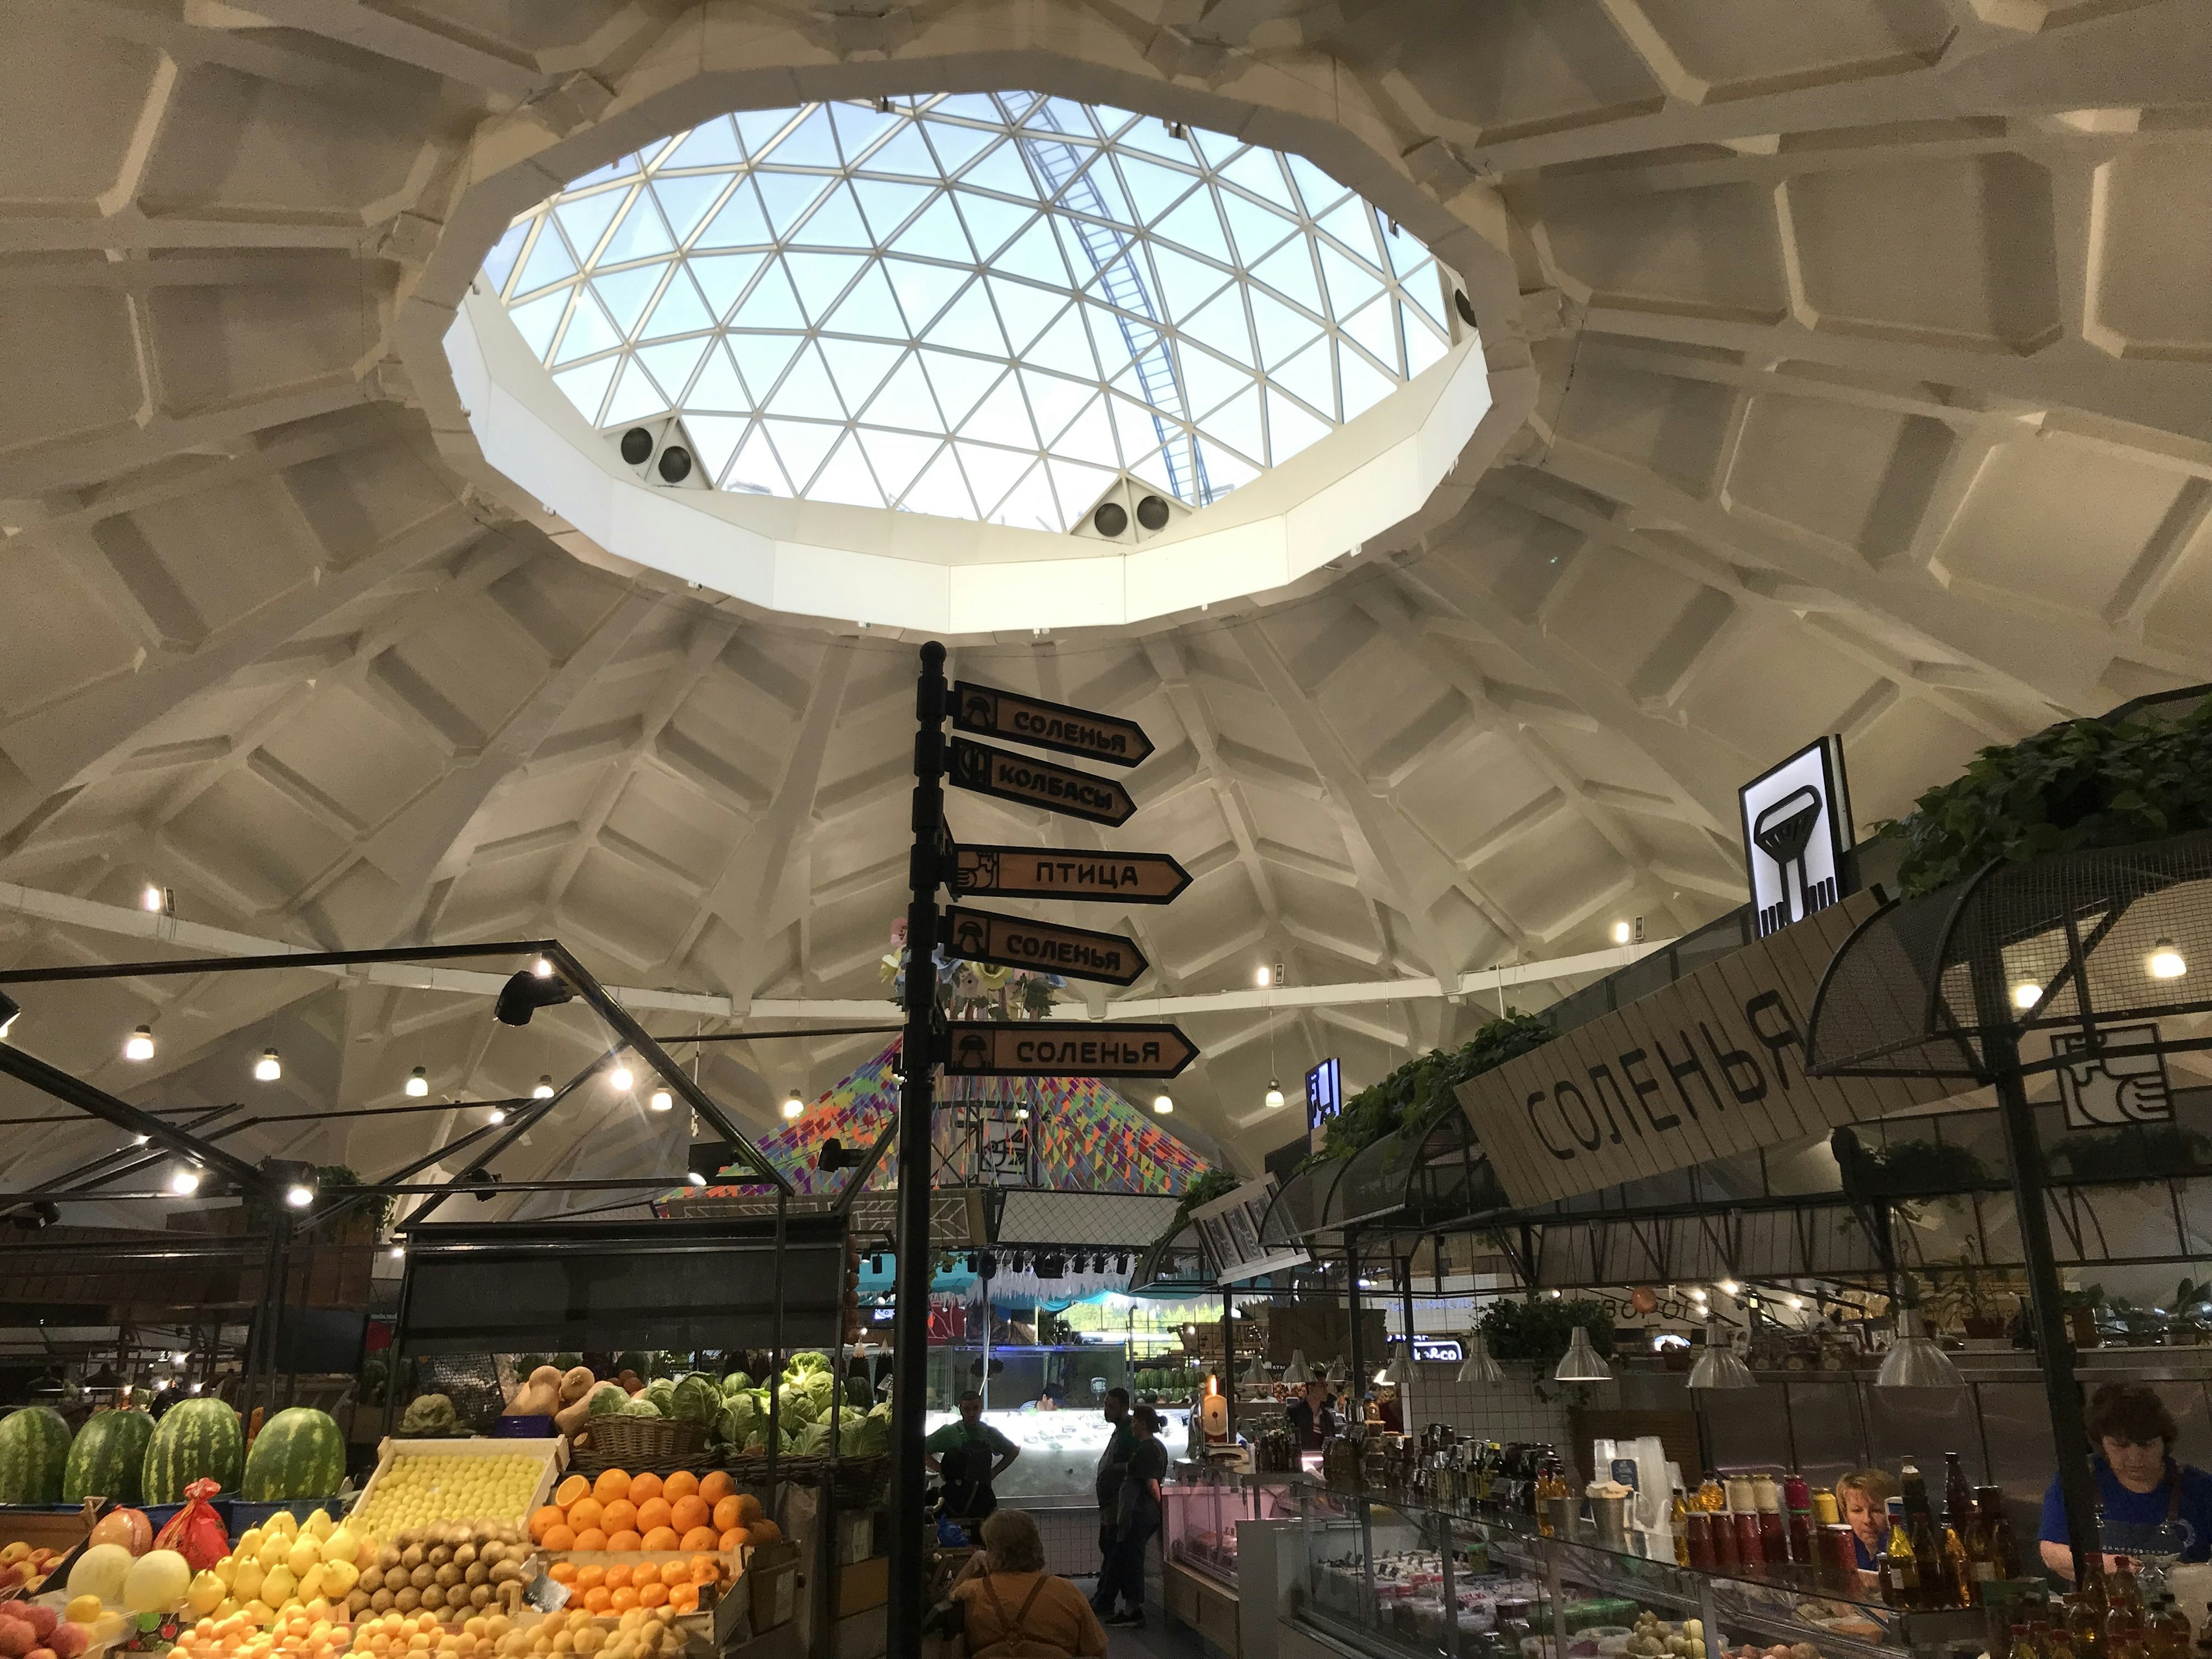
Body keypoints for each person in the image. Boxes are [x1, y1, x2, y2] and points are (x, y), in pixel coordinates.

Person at [2039, 1382, 2212, 1577]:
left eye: (2146, 1446)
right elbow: (2051, 1552)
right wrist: (2106, 1564)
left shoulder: (2201, 1488)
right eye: (2120, 1446)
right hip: (2100, 1603)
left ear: (2164, 1442)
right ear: (2102, 1444)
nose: (2135, 1459)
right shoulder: (2078, 1481)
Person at [950, 1508, 1108, 1657]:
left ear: (994, 1552)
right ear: (1036, 1545)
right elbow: (1097, 1650)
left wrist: (972, 1565)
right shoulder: (1067, 1591)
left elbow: (947, 1603)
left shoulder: (973, 1590)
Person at [1096, 1405, 1168, 1628]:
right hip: (1136, 1513)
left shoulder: (1148, 1449)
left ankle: (1132, 1609)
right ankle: (1129, 1606)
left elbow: (1152, 1483)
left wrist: (1161, 1508)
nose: (1133, 1426)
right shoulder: (1153, 1447)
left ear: (1144, 1424)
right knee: (1125, 1557)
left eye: (1136, 1422)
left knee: (1132, 1559)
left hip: (1139, 1513)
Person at [927, 1391, 1020, 1535]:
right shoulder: (949, 1433)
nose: (972, 1414)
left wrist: (994, 1472)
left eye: (975, 1408)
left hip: (983, 1501)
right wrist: (941, 1469)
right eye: (967, 1409)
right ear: (960, 1410)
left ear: (982, 1408)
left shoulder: (990, 1433)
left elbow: (1013, 1451)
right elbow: (921, 1449)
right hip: (954, 1501)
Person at [1090, 1389, 1133, 1615]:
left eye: (1112, 1407)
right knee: (1108, 1548)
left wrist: (1112, 1470)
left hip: (1119, 1503)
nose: (1107, 1411)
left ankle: (1106, 1598)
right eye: (1106, 1405)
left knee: (1113, 1551)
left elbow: (1132, 1467)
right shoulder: (1120, 1431)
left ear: (1124, 1408)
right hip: (1110, 1502)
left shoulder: (1129, 1433)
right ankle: (1103, 1595)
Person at [1836, 1468, 1896, 1572]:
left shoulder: (1899, 1549)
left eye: (1877, 1510)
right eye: (1857, 1511)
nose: (1867, 1520)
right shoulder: (1847, 1547)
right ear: (1846, 1514)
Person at [1283, 1378, 1335, 1450]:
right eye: (1321, 1386)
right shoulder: (1294, 1412)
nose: (1326, 1390)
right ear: (1311, 1389)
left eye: (1326, 1386)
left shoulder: (1327, 1416)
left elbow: (1331, 1442)